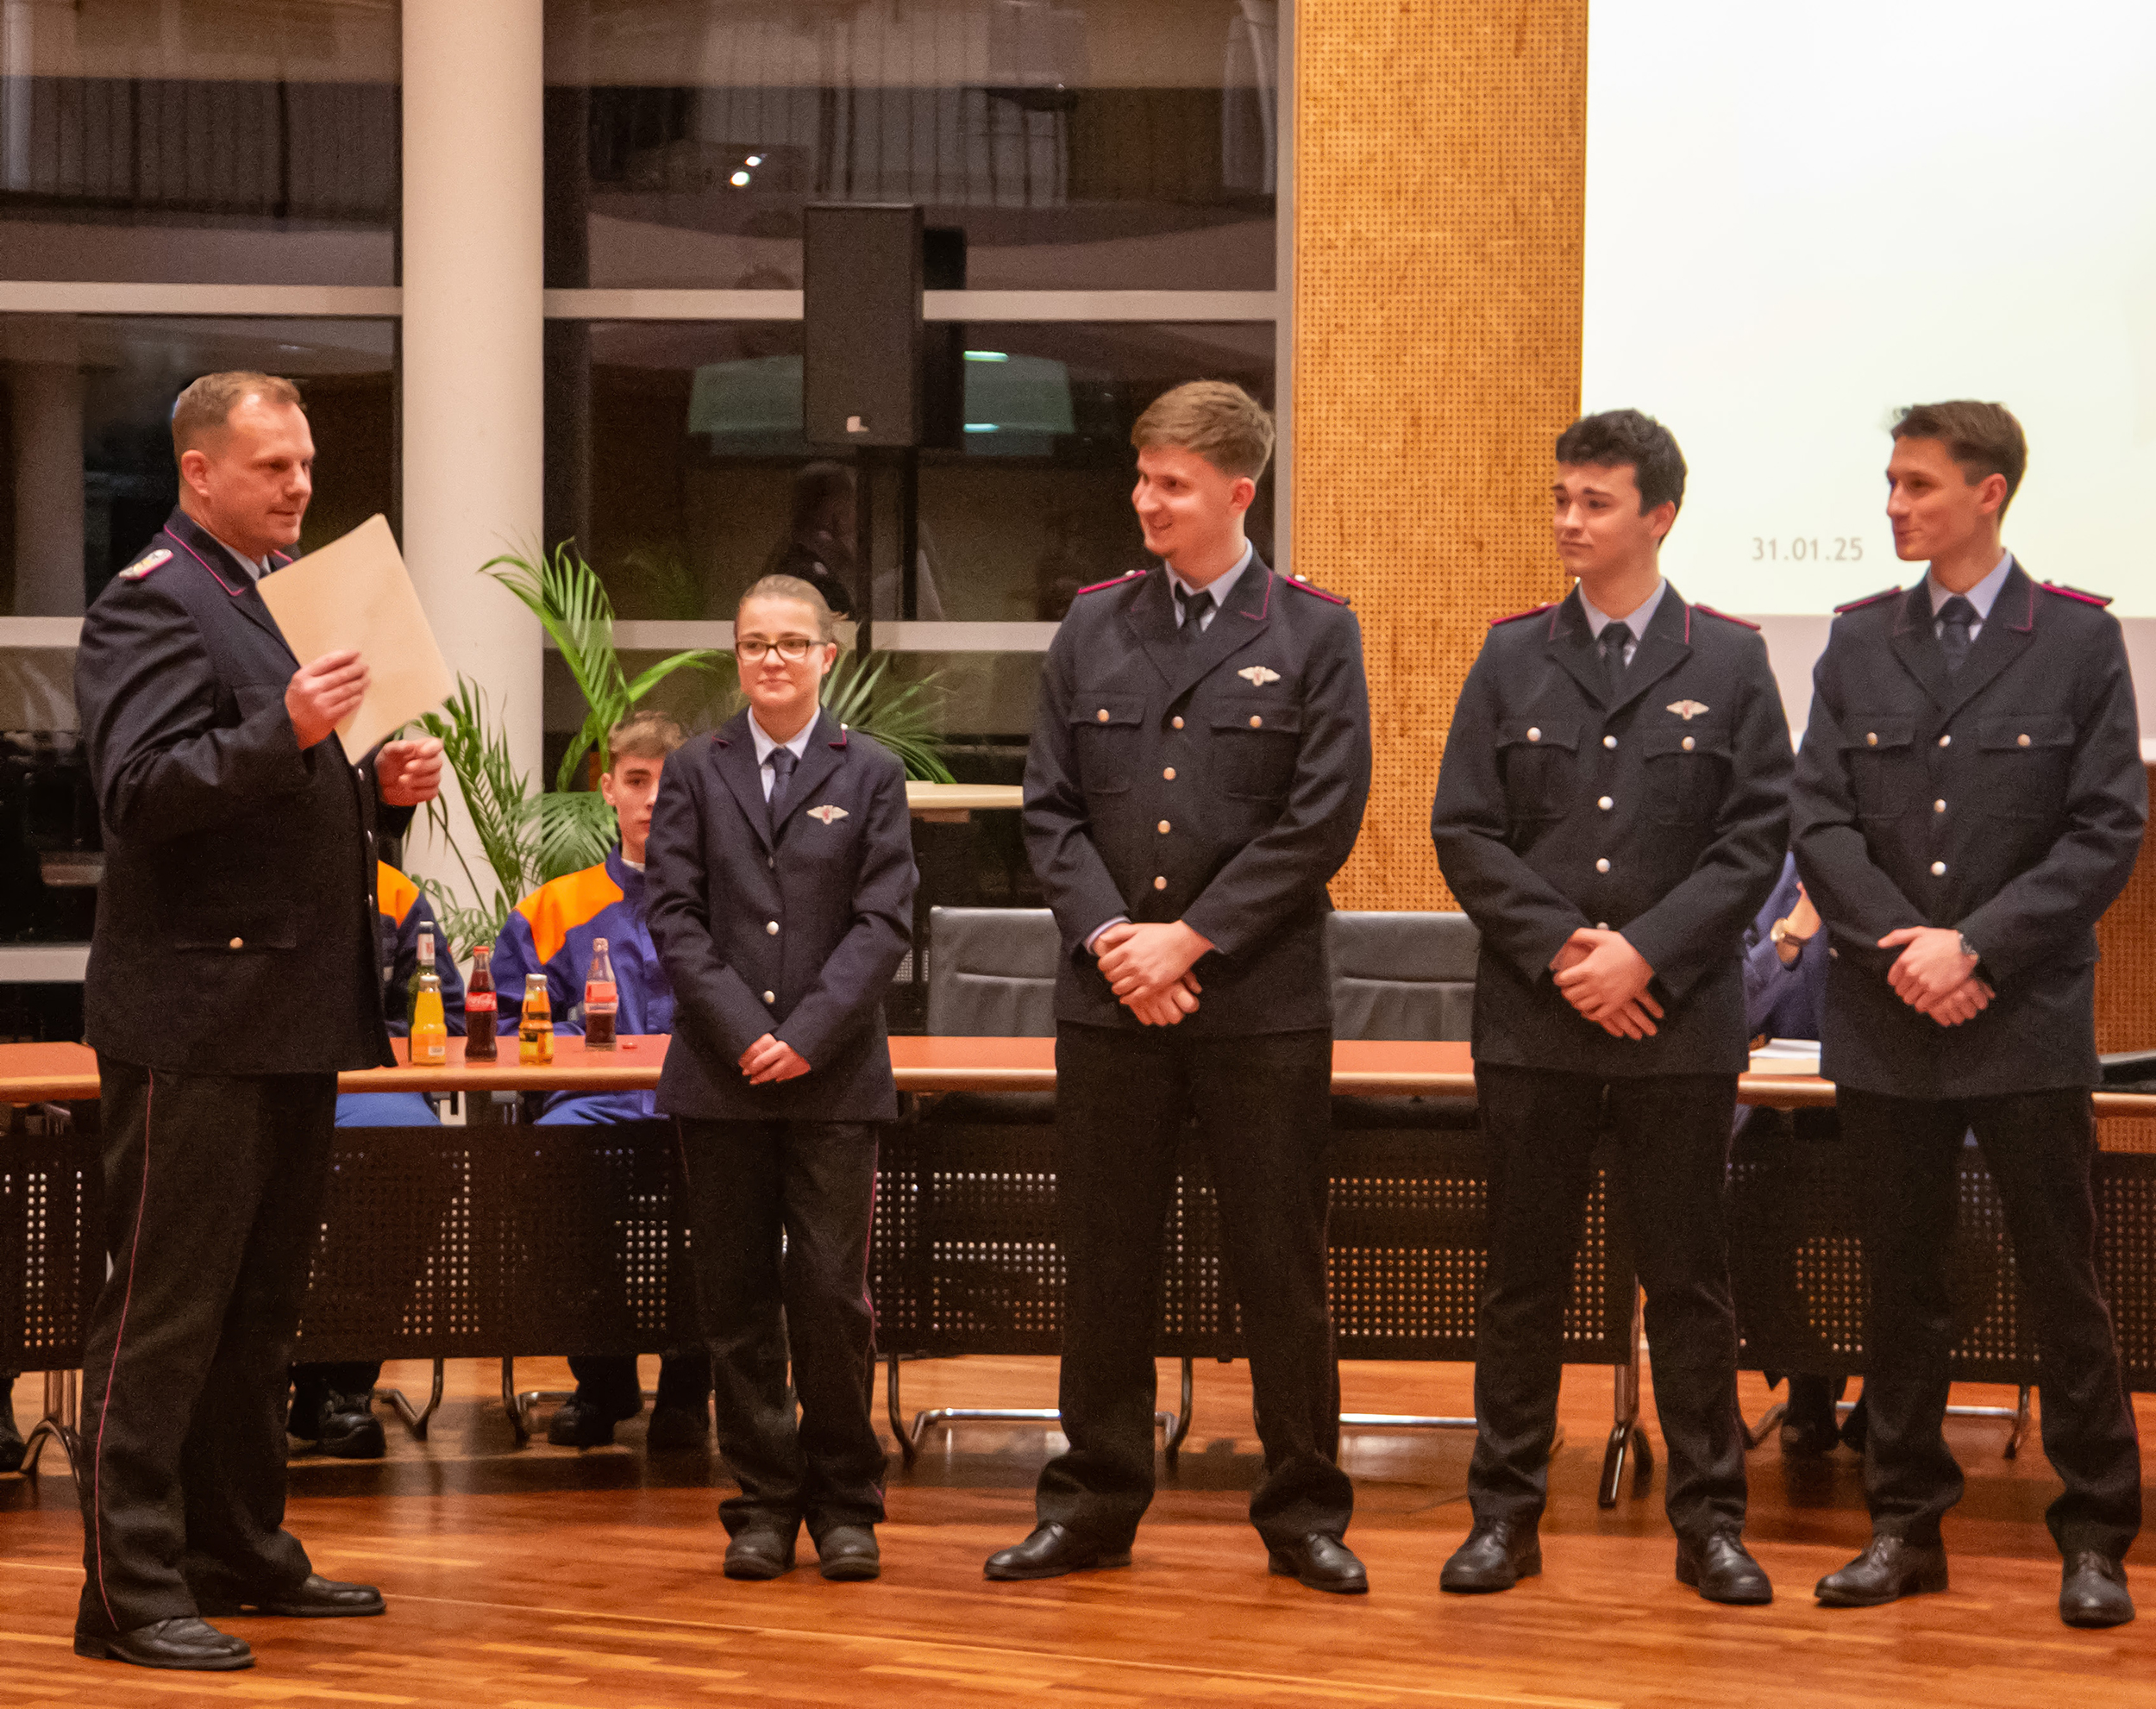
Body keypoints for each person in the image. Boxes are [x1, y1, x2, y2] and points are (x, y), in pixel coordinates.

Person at [70, 371, 443, 1671]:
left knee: (260, 1309)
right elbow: (135, 791)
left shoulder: (279, 593)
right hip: (194, 1015)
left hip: (288, 1007)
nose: (300, 484)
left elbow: (282, 803)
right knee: (163, 1314)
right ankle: (126, 1589)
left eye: (306, 463)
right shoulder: (153, 600)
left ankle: (237, 1545)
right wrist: (283, 730)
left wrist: (381, 790)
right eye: (274, 466)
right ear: (199, 473)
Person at [987, 379, 1375, 1596]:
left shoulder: (1312, 630)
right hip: (1113, 999)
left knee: (1280, 1267)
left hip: (1258, 1002)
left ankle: (1303, 1510)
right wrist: (1119, 938)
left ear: (1237, 492)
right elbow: (1050, 809)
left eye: (1173, 483)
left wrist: (1189, 941)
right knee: (1105, 1264)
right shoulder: (1093, 623)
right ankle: (1092, 1502)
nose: (1145, 500)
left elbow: (1321, 820)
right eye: (1143, 476)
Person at [1792, 400, 2145, 1629]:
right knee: (1902, 1283)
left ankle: (2094, 1531)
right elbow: (1818, 815)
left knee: (2063, 1281)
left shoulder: (2078, 639)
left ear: (1988, 492)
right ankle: (1903, 1524)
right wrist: (1908, 947)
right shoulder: (1858, 639)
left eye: (1919, 483)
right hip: (1890, 1006)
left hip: (2023, 1011)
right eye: (1892, 481)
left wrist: (1976, 946)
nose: (1894, 503)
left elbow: (2105, 827)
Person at [1430, 408, 1790, 1604]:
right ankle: (1503, 1515)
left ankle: (1710, 1523)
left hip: (1675, 1021)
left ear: (1659, 516)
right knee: (1522, 1280)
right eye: (1560, 497)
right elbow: (1465, 829)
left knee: (1688, 1279)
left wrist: (1644, 955)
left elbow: (1754, 838)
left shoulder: (1727, 659)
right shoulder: (1512, 654)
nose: (1568, 521)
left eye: (1594, 501)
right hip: (1536, 1021)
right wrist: (1567, 952)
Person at [646, 575, 916, 1583]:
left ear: (825, 656)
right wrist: (743, 1030)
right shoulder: (693, 768)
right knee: (737, 1300)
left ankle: (846, 1502)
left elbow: (883, 921)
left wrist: (802, 1033)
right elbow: (674, 914)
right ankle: (762, 1502)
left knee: (831, 1294)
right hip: (720, 1078)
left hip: (832, 1075)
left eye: (791, 643)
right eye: (755, 642)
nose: (772, 658)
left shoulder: (872, 770)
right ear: (736, 654)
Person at [492, 711, 713, 1449]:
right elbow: (508, 1025)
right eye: (636, 781)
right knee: (545, 1172)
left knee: (730, 1188)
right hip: (590, 1107)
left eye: (667, 785)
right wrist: (586, 1050)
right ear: (609, 789)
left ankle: (688, 1388)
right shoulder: (553, 908)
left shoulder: (728, 905)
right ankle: (603, 1380)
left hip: (700, 1105)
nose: (651, 800)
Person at [287, 862, 467, 1462]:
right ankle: (246, 1386)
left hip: (368, 1077)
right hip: (256, 1079)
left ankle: (342, 1381)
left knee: (410, 1151)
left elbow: (448, 1017)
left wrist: (359, 1036)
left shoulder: (394, 891)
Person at [1734, 854, 1865, 1456]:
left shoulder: (1897, 865)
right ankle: (1807, 1375)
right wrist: (1791, 934)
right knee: (1746, 1191)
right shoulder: (1769, 870)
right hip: (1786, 1109)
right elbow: (1737, 1009)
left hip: (1893, 1098)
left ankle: (1888, 1388)